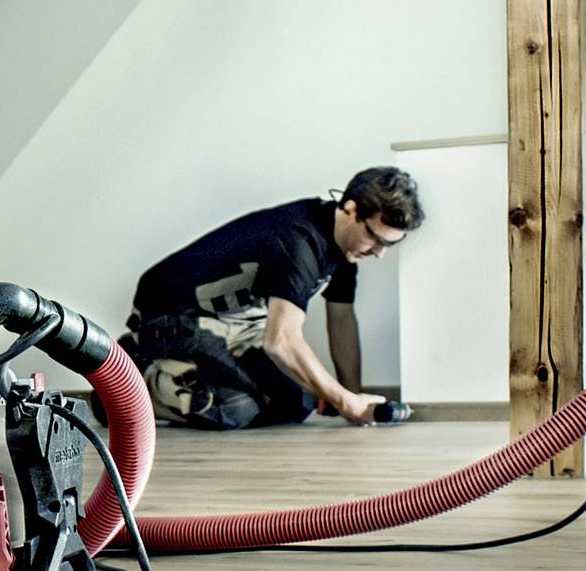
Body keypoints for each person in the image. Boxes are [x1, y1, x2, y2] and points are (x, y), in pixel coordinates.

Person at [120, 167, 424, 430]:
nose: (380, 253)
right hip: (175, 312)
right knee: (234, 409)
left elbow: (341, 322)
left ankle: (179, 377)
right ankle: (126, 389)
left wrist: (352, 396)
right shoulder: (298, 239)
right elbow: (281, 342)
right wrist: (345, 402)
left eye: (389, 245)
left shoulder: (347, 251)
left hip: (239, 322)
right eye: (376, 239)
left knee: (298, 402)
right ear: (350, 210)